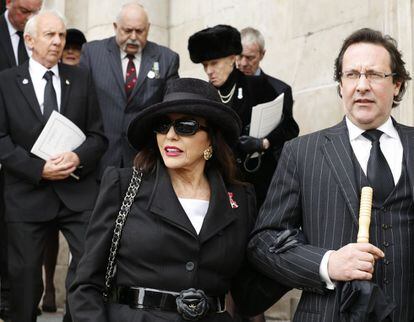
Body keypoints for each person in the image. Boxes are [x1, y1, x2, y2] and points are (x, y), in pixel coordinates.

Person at [68, 78, 288, 322]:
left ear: (211, 140)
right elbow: (86, 282)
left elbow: (248, 295)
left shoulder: (240, 198)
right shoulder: (122, 185)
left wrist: (295, 263)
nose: (170, 135)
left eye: (186, 126)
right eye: (163, 126)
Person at [248, 28, 413, 321]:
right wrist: (327, 264)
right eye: (351, 75)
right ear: (340, 85)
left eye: (375, 74)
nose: (362, 85)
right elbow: (263, 243)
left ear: (397, 85)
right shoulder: (301, 153)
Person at [0, 9, 107, 322]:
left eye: (62, 35)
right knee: (25, 282)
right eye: (50, 35)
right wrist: (38, 169)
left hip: (77, 193)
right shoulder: (5, 82)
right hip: (27, 194)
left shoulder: (82, 78)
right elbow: (1, 140)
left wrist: (78, 157)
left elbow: (98, 136)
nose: (58, 41)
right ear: (30, 40)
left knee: (89, 269)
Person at [188, 24, 299, 209]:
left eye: (214, 63)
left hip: (254, 183)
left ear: (232, 59)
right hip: (217, 183)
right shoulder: (204, 94)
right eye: (205, 65)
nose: (209, 71)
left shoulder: (258, 86)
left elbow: (289, 128)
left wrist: (263, 142)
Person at [80, 1, 179, 174]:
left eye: (139, 31)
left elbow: (170, 109)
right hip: (99, 161)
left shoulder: (166, 58)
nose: (133, 36)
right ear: (115, 27)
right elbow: (80, 103)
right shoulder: (91, 53)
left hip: (144, 160)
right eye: (127, 30)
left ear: (148, 28)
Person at [39, 27, 88, 314]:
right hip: (41, 172)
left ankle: (74, 303)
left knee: (81, 246)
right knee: (45, 239)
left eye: (76, 49)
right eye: (66, 46)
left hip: (78, 172)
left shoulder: (83, 81)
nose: (69, 51)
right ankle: (47, 286)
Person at [0, 0, 42, 320]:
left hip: (25, 159)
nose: (30, 18)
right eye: (25, 11)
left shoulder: (41, 37)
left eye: (36, 11)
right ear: (10, 2)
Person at [237, 27, 297, 162]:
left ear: (262, 55)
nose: (243, 63)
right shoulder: (223, 89)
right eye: (240, 56)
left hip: (266, 168)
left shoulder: (280, 90)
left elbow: (290, 130)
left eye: (250, 57)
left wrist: (265, 142)